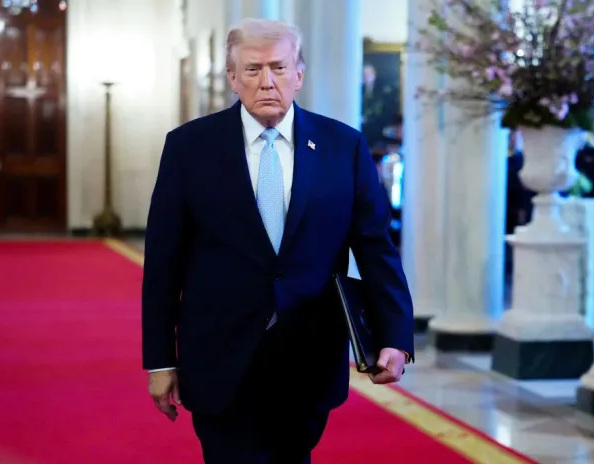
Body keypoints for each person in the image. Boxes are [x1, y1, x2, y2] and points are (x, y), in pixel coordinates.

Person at [142, 18, 415, 464]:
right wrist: (159, 360)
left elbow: (375, 247)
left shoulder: (342, 147)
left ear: (299, 74)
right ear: (232, 78)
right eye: (252, 69)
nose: (267, 81)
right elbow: (163, 264)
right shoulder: (189, 148)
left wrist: (395, 336)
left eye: (279, 67)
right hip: (219, 357)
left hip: (309, 358)